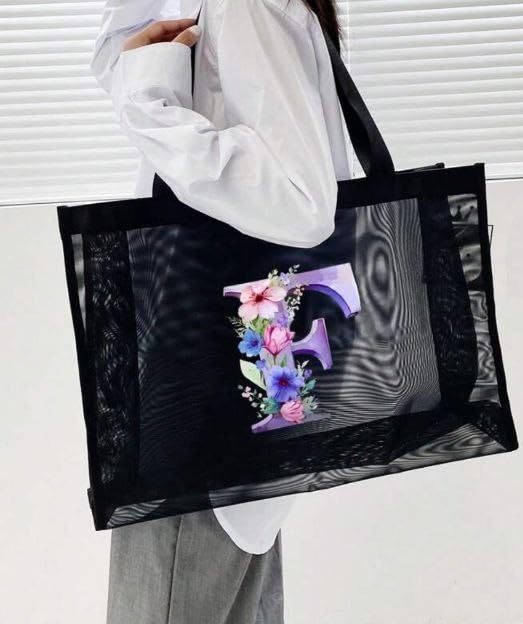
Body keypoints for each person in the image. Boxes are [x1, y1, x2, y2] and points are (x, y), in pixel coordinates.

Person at [91, 1, 352, 622]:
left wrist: (148, 104)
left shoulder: (242, 7)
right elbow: (114, 56)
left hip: (202, 396)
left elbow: (301, 204)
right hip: (243, 375)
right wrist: (144, 75)